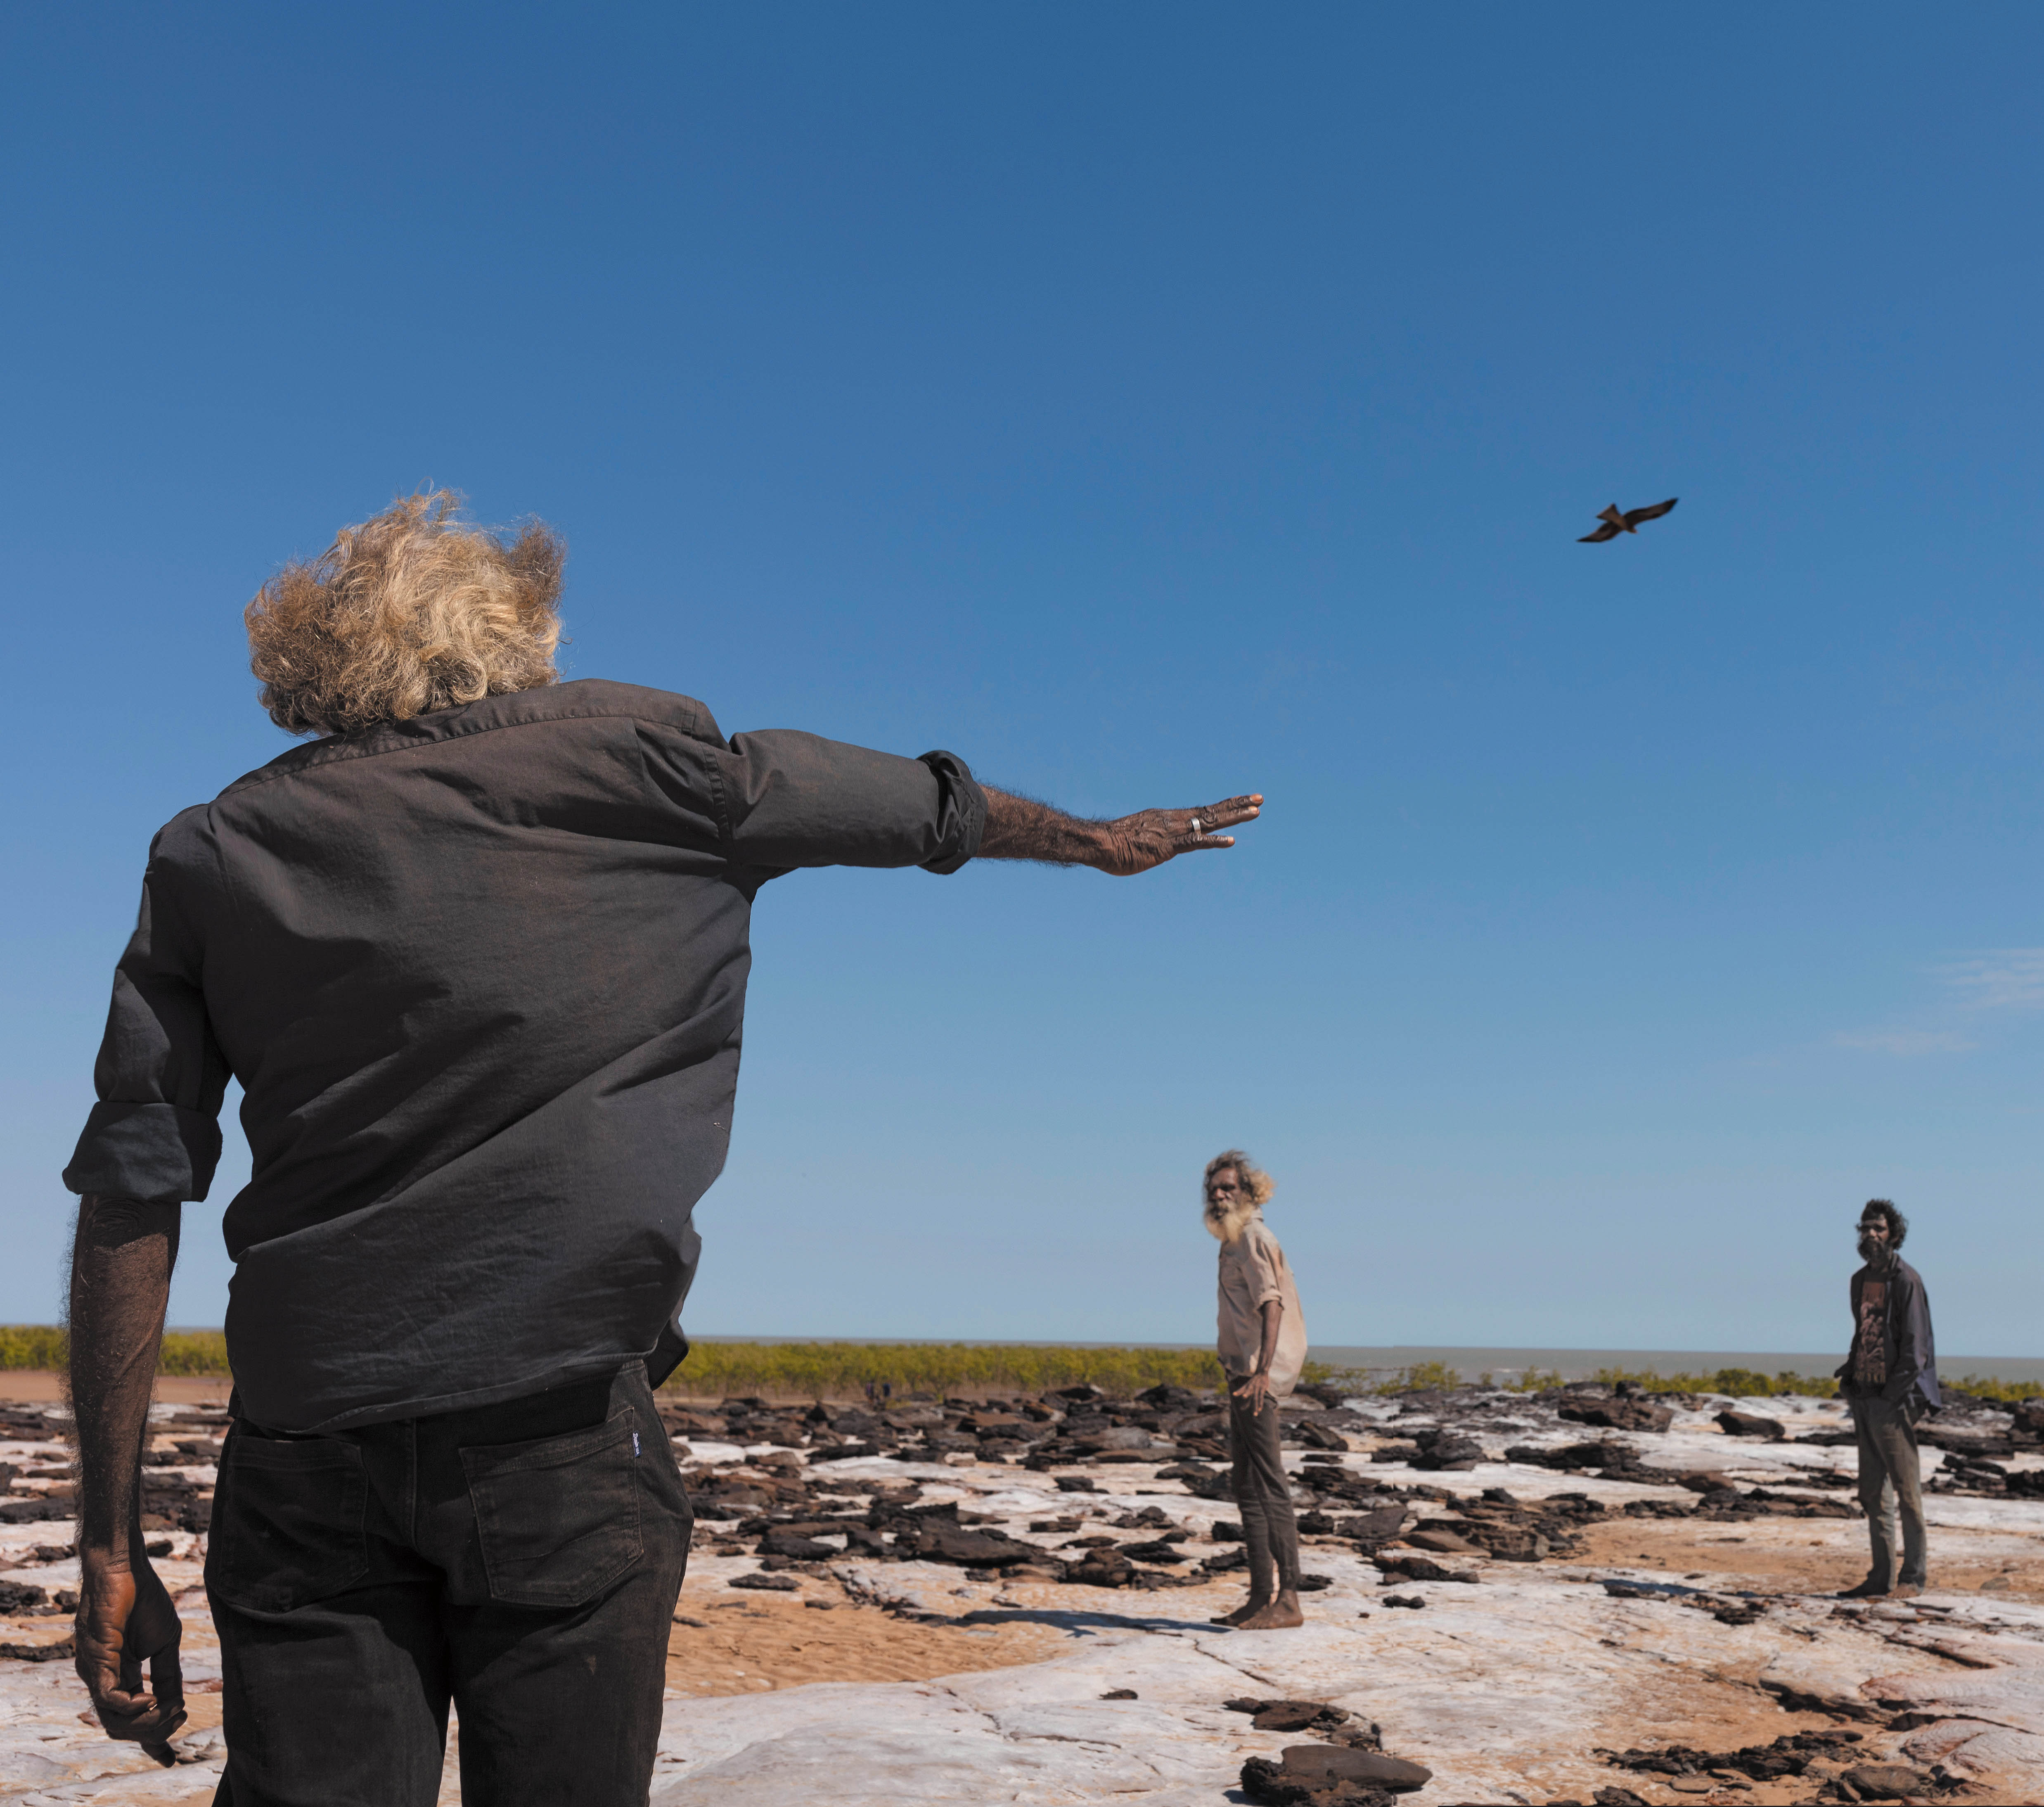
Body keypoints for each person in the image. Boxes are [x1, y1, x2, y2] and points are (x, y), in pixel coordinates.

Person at [62, 491, 1264, 1806]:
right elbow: (926, 811)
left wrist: (109, 1543)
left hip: (307, 1443)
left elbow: (133, 1196)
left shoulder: (216, 849)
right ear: (515, 636)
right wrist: (1096, 842)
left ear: (315, 668)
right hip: (561, 1436)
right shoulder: (662, 773)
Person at [1203, 1150, 1309, 1631]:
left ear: (1248, 1192)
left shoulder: (1253, 1237)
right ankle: (1260, 1595)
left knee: (1269, 1483)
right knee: (1245, 1483)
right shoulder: (1233, 1240)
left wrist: (1262, 1370)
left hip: (1256, 1375)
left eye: (1229, 1187)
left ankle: (1289, 1600)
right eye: (1214, 1189)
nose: (1219, 1195)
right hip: (1241, 1370)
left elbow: (1272, 1303)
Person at [1833, 1198, 1940, 1600]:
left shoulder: (1907, 1280)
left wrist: (1891, 1396)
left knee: (1906, 1493)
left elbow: (1916, 1350)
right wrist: (1849, 1374)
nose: (1871, 1234)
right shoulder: (1859, 1280)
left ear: (1894, 1234)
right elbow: (1864, 1332)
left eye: (1878, 1228)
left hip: (1895, 1400)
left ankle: (1912, 1579)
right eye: (1865, 1228)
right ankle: (1880, 1579)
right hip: (1864, 1394)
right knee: (1872, 1492)